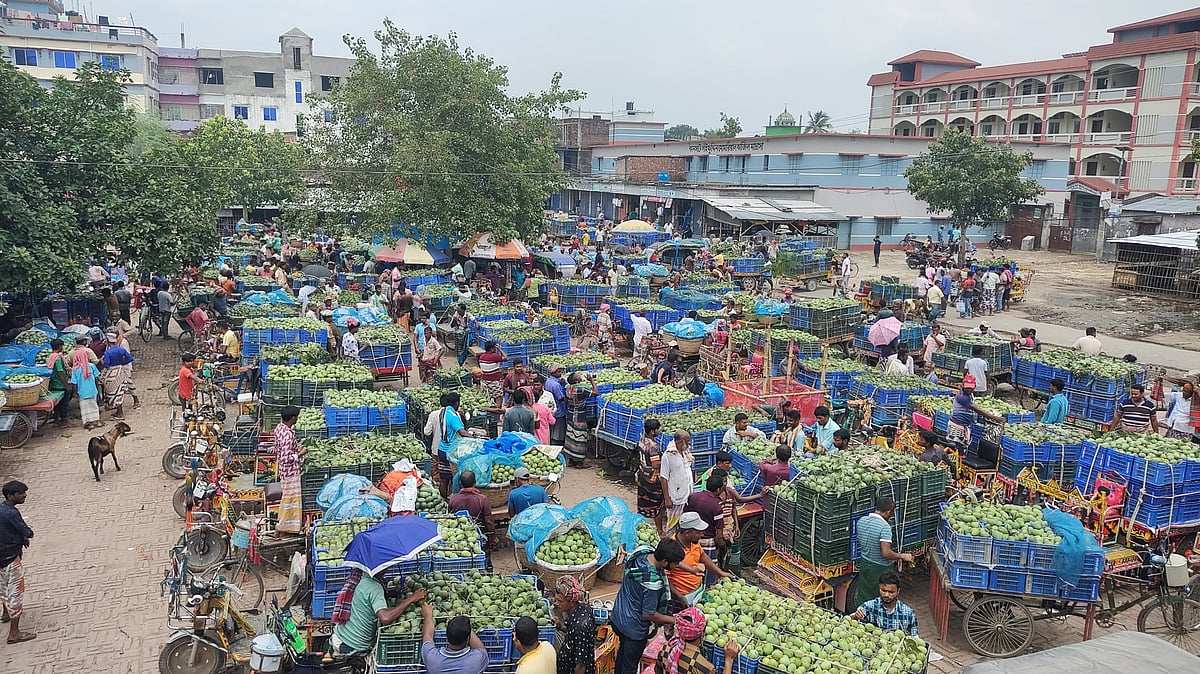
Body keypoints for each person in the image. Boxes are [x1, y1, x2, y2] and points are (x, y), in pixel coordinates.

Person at [611, 538, 686, 674]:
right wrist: (675, 620)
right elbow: (649, 614)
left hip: (618, 616)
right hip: (634, 628)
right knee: (630, 665)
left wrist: (679, 595)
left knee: (623, 653)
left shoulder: (642, 552)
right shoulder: (652, 584)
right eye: (675, 564)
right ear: (664, 562)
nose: (676, 566)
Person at [855, 496, 915, 608]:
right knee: (880, 598)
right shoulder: (884, 527)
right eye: (891, 513)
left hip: (865, 563)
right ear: (888, 512)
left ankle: (861, 617)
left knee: (864, 595)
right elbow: (886, 553)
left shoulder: (861, 521)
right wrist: (902, 556)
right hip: (879, 568)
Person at [666, 513, 728, 608]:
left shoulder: (693, 542)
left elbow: (702, 556)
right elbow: (665, 578)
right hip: (681, 598)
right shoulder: (671, 549)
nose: (702, 535)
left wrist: (720, 573)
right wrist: (679, 596)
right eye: (698, 532)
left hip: (696, 592)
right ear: (687, 533)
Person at [0, 481, 35, 644]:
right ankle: (14, 633)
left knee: (3, 586)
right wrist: (26, 535)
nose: (24, 496)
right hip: (10, 557)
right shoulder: (11, 513)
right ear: (11, 496)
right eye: (21, 493)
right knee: (15, 591)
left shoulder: (2, 510)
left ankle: (6, 612)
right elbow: (26, 531)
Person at [448, 471, 500, 570]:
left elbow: (451, 519)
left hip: (461, 538)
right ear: (475, 482)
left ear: (460, 483)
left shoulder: (453, 499)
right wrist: (493, 537)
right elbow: (489, 521)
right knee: (484, 562)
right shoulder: (482, 499)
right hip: (480, 537)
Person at [420, 608, 490, 674]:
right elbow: (481, 648)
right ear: (468, 639)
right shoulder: (477, 660)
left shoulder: (432, 658)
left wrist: (428, 616)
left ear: (447, 636)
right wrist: (464, 627)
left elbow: (427, 635)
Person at [683, 473, 725, 580]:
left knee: (690, 566)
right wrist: (717, 542)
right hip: (707, 541)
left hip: (691, 538)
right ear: (718, 489)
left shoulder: (692, 497)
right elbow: (719, 533)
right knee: (708, 571)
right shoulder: (716, 506)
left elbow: (685, 514)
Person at [853, 571, 918, 637]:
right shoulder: (869, 606)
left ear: (898, 591)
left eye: (891, 592)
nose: (886, 595)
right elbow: (849, 620)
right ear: (879, 588)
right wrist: (855, 617)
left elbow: (914, 637)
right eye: (883, 590)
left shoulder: (908, 614)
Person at [553, 576, 596, 674]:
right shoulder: (583, 608)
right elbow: (573, 636)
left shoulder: (580, 627)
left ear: (572, 602)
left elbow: (580, 665)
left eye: (560, 601)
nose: (556, 603)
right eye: (556, 600)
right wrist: (561, 627)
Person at [273, 406, 305, 534]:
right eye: (296, 417)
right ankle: (285, 528)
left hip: (283, 471)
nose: (297, 419)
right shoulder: (287, 435)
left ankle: (284, 527)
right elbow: (286, 458)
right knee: (290, 500)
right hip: (290, 472)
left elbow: (278, 449)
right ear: (292, 418)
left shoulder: (280, 428)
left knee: (288, 498)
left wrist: (296, 446)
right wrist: (301, 453)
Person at [637, 420, 669, 533]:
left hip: (642, 476)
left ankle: (641, 527)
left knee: (644, 502)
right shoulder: (653, 446)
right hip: (652, 479)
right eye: (657, 430)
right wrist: (666, 460)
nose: (658, 432)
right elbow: (655, 464)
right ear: (652, 432)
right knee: (657, 507)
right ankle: (660, 530)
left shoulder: (641, 440)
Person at [660, 430, 694, 532]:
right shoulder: (668, 456)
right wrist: (667, 499)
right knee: (672, 525)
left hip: (687, 494)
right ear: (679, 442)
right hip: (676, 497)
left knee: (685, 524)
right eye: (687, 440)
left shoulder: (686, 452)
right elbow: (663, 478)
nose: (689, 443)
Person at [562, 372, 598, 468]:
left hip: (570, 415)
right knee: (580, 438)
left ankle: (571, 460)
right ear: (576, 380)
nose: (580, 376)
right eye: (578, 376)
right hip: (580, 416)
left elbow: (565, 399)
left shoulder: (568, 388)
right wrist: (591, 381)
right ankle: (579, 462)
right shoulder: (581, 389)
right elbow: (595, 393)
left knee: (571, 437)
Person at [99, 332, 135, 420]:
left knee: (113, 392)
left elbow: (106, 365)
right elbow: (130, 358)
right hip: (119, 371)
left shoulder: (108, 352)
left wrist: (101, 361)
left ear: (108, 341)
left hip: (111, 373)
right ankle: (119, 411)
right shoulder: (121, 350)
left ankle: (119, 412)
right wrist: (122, 363)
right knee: (119, 391)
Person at [71, 344, 103, 430]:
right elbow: (96, 378)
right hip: (92, 390)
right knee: (94, 405)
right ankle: (96, 421)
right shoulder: (92, 366)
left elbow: (74, 383)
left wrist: (75, 393)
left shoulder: (75, 369)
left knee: (85, 407)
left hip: (82, 392)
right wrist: (97, 389)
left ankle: (88, 423)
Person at [478, 341, 507, 408]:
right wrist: (500, 349)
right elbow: (506, 358)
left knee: (487, 398)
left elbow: (498, 359)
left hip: (484, 381)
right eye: (494, 348)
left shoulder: (481, 357)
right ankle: (497, 413)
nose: (495, 349)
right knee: (499, 397)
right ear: (491, 349)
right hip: (493, 382)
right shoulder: (493, 357)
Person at [544, 365, 567, 446]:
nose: (560, 374)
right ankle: (556, 445)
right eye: (558, 372)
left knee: (552, 429)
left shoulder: (548, 381)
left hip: (550, 408)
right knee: (558, 431)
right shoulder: (555, 385)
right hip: (559, 410)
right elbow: (560, 398)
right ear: (553, 373)